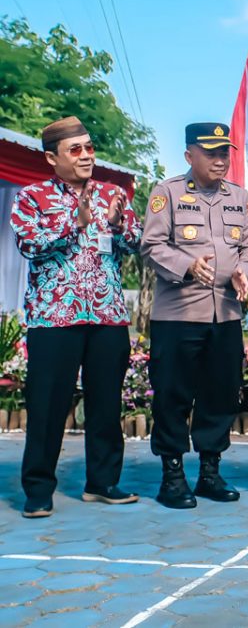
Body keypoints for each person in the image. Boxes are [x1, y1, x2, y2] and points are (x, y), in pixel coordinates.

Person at [11, 116, 141, 518]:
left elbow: (135, 244)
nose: (87, 156)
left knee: (106, 404)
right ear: (53, 157)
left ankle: (102, 483)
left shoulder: (111, 193)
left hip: (106, 315)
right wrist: (75, 223)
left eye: (89, 147)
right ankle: (38, 489)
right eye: (76, 150)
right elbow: (28, 244)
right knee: (47, 405)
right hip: (54, 318)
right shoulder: (32, 197)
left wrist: (120, 226)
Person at [141, 123, 248, 509]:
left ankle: (210, 472)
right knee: (173, 395)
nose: (220, 159)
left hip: (225, 314)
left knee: (221, 393)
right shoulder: (168, 193)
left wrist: (245, 270)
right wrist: (188, 266)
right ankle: (172, 475)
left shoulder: (239, 197)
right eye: (211, 153)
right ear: (190, 155)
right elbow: (151, 246)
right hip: (178, 315)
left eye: (225, 152)